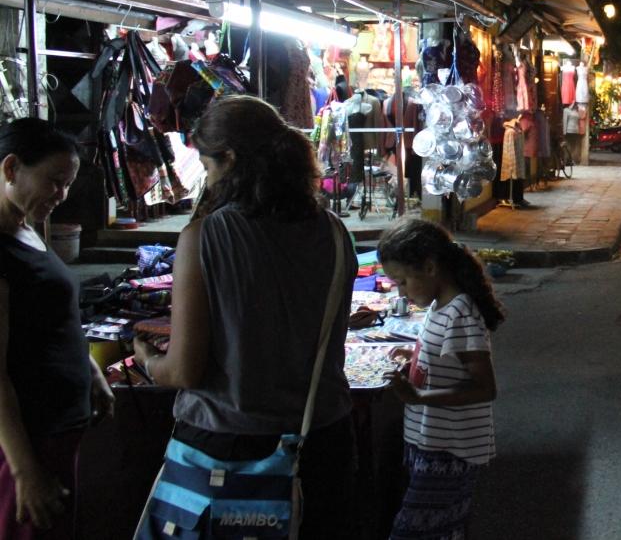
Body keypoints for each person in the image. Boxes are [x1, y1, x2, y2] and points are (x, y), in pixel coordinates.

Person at [133, 96, 357, 538]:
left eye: (208, 166)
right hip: (322, 441)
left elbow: (183, 370)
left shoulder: (204, 236)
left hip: (231, 450)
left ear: (230, 159)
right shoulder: (334, 231)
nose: (208, 179)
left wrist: (147, 360)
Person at [0, 119, 113, 539]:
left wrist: (91, 370)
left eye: (67, 184)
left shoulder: (25, 228)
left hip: (58, 427)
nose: (61, 195)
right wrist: (24, 471)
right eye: (53, 181)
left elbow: (49, 317)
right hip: (30, 437)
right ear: (12, 168)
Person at [378, 218, 502, 540]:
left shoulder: (460, 313)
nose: (401, 291)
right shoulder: (439, 306)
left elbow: (484, 387)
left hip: (449, 450)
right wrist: (414, 356)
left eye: (403, 281)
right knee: (441, 529)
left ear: (430, 268)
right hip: (429, 442)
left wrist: (418, 397)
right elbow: (447, 359)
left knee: (413, 531)